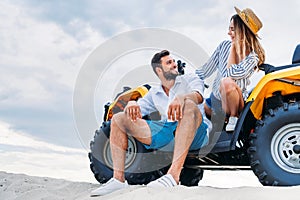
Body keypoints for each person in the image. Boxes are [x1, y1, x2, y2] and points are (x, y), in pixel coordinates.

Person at [91, 50, 212, 196]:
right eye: (169, 62)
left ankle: (173, 176)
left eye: (173, 61)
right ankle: (118, 180)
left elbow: (198, 96)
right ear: (159, 70)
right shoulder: (154, 92)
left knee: (189, 107)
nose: (174, 64)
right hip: (167, 131)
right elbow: (138, 110)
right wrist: (131, 104)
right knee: (119, 119)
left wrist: (182, 98)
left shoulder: (191, 79)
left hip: (196, 130)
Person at [196, 7, 265, 131]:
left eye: (232, 29)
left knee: (226, 82)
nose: (229, 33)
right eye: (229, 29)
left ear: (242, 31)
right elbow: (204, 71)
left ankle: (233, 117)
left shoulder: (253, 57)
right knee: (191, 105)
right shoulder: (223, 46)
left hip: (235, 104)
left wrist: (233, 48)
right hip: (215, 102)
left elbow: (230, 74)